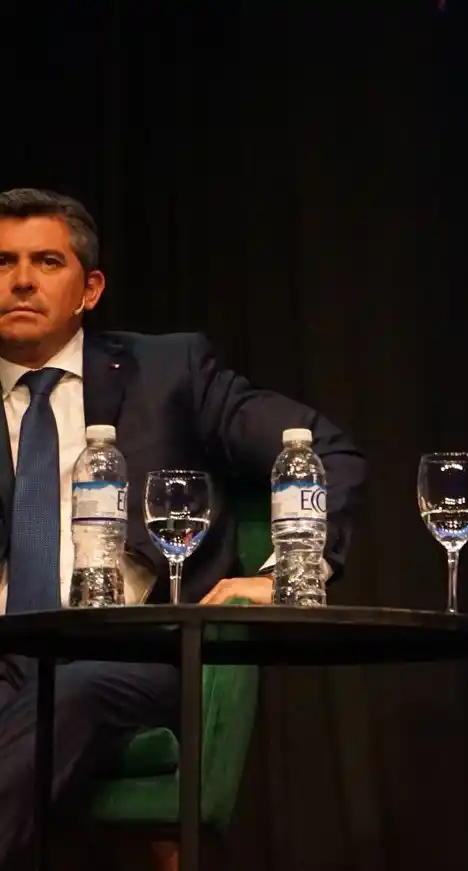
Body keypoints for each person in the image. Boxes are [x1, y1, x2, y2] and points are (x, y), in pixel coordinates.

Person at [0, 188, 365, 864]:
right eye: (3, 261)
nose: (22, 279)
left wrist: (288, 573)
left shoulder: (166, 372)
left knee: (78, 685)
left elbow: (321, 449)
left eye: (46, 260)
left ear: (90, 287)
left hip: (133, 655)